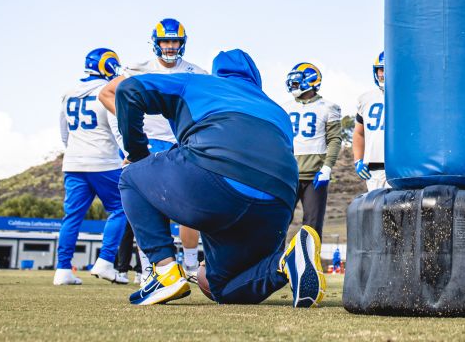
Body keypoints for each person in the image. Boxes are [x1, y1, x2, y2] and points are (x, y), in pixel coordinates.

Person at [98, 48, 325, 308]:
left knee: (130, 177)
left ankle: (164, 271)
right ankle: (286, 260)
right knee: (222, 287)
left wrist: (138, 153)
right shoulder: (276, 109)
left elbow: (128, 91)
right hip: (276, 205)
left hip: (216, 181)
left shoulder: (195, 81)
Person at [116, 18, 208, 282]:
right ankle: (150, 267)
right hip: (150, 142)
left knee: (190, 208)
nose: (170, 46)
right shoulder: (137, 68)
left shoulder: (196, 72)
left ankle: (190, 265)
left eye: (175, 41)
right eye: (166, 41)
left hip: (183, 143)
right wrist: (128, 139)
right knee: (148, 209)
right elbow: (109, 97)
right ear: (156, 43)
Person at [53, 48, 128, 286]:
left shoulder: (67, 93)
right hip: (104, 161)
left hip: (74, 162)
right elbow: (118, 130)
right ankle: (105, 261)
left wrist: (76, 151)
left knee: (71, 217)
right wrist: (129, 153)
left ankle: (62, 270)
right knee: (121, 208)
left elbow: (64, 133)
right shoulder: (105, 92)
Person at [280, 62, 343, 236]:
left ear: (310, 81)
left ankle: (310, 263)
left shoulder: (328, 107)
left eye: (296, 82)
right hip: (289, 174)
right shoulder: (284, 107)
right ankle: (274, 263)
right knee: (279, 222)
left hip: (315, 175)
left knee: (312, 227)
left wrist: (327, 167)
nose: (293, 86)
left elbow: (335, 140)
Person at [352, 51, 387, 191]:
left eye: (386, 68)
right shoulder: (365, 98)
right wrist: (358, 160)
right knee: (376, 212)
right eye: (380, 69)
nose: (382, 73)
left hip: (401, 168)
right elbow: (359, 133)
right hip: (374, 169)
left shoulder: (409, 95)